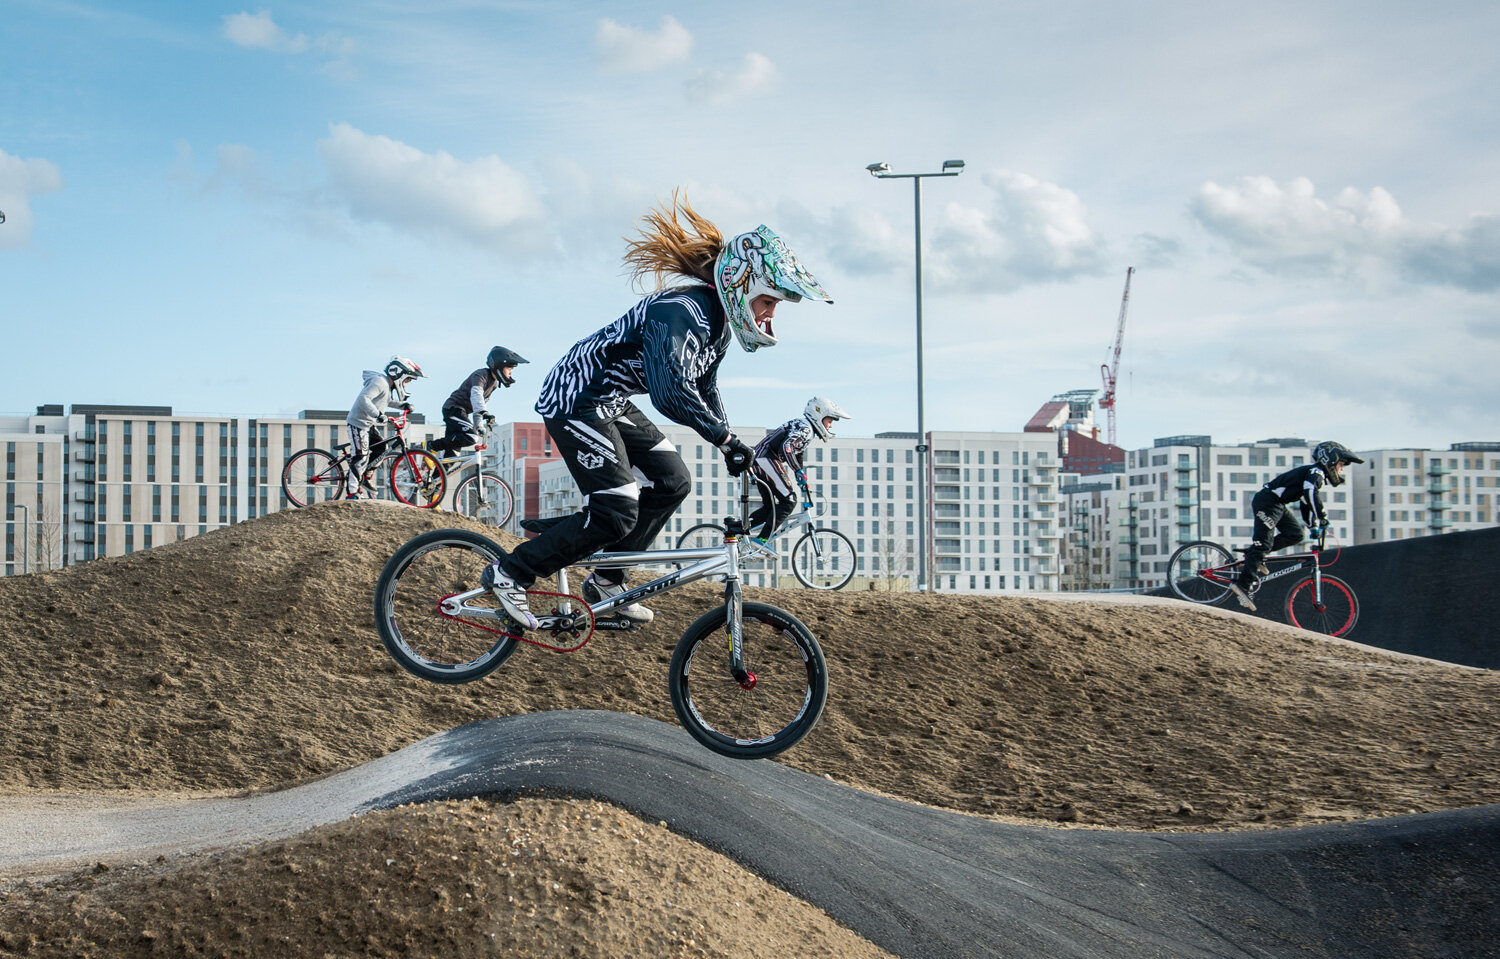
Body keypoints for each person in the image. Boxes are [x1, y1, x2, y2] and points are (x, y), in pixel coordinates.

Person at [480, 194, 832, 629]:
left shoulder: (717, 325)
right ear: (742, 287)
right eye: (768, 301)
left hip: (610, 401)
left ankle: (607, 579)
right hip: (577, 397)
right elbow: (671, 394)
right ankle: (511, 572)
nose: (769, 314)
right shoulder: (680, 311)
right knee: (617, 507)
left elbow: (704, 386)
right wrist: (724, 439)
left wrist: (731, 444)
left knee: (673, 482)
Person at [1228, 440, 1364, 610]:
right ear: (1330, 460)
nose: (1341, 469)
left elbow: (1305, 503)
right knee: (1263, 543)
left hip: (1277, 505)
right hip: (1267, 502)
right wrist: (1322, 518)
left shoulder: (1314, 475)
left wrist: (1312, 526)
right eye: (1341, 464)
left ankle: (1255, 556)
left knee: (1295, 534)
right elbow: (1310, 494)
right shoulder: (1315, 473)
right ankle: (1242, 585)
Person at [748, 396, 850, 541]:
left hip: (758, 460)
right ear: (819, 416)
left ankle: (739, 532)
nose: (830, 426)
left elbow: (797, 453)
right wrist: (797, 470)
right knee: (789, 501)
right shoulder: (806, 429)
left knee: (769, 508)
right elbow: (786, 447)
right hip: (766, 459)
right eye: (830, 421)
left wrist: (801, 478)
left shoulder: (803, 425)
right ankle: (762, 540)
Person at [345, 356, 425, 499]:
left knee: (381, 448)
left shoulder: (386, 386)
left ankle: (365, 477)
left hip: (368, 424)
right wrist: (378, 414)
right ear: (399, 374)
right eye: (407, 380)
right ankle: (352, 492)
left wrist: (403, 406)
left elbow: (386, 400)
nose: (406, 385)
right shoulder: (379, 382)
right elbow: (364, 398)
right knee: (360, 456)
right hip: (358, 424)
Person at [425, 346, 529, 456]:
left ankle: (436, 473)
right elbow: (476, 395)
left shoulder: (493, 384)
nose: (510, 373)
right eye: (509, 369)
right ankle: (430, 446)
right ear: (499, 365)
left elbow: (479, 406)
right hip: (453, 408)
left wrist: (479, 426)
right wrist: (483, 412)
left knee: (451, 457)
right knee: (471, 436)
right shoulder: (481, 375)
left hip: (461, 412)